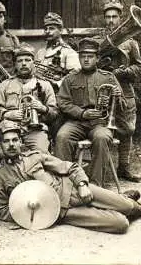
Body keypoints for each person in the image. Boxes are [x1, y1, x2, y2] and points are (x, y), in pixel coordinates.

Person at [0, 121, 141, 234]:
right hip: (62, 212)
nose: (11, 144)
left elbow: (71, 167)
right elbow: (2, 210)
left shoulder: (35, 156)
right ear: (0, 145)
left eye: (14, 140)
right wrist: (34, 217)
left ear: (20, 142)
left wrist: (83, 184)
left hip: (73, 190)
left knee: (127, 206)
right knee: (121, 224)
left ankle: (138, 206)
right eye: (6, 141)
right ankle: (118, 203)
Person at [54, 37, 125, 186]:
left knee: (102, 138)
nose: (86, 60)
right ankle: (64, 183)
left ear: (97, 58)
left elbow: (123, 106)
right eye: (83, 56)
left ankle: (95, 185)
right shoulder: (70, 79)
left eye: (90, 56)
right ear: (79, 58)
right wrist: (81, 113)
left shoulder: (109, 77)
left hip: (100, 123)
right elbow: (63, 102)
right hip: (76, 121)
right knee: (62, 137)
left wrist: (117, 98)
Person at [101, 0, 141, 182]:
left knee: (127, 130)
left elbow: (139, 68)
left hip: (124, 90)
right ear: (104, 19)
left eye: (114, 17)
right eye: (108, 17)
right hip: (103, 92)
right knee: (101, 131)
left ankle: (124, 168)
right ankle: (101, 168)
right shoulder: (99, 40)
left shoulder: (131, 42)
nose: (111, 20)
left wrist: (124, 71)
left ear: (120, 18)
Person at [0, 43, 58, 153]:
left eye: (27, 60)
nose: (23, 64)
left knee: (41, 153)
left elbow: (54, 113)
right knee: (0, 153)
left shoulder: (44, 84)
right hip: (9, 129)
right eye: (19, 61)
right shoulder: (5, 85)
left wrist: (43, 108)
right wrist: (7, 114)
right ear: (15, 64)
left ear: (34, 63)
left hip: (35, 130)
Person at [34, 12, 80, 86]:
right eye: (46, 29)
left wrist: (57, 83)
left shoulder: (68, 52)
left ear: (60, 30)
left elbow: (75, 76)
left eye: (51, 28)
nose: (47, 31)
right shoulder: (40, 52)